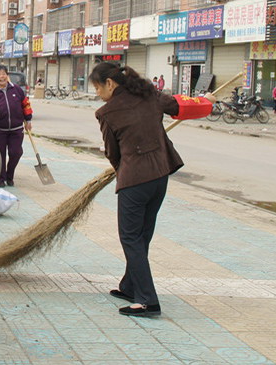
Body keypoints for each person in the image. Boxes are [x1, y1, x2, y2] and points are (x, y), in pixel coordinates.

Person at [89, 62, 215, 317]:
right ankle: (130, 286)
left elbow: (113, 153)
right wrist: (207, 102)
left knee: (130, 237)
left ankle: (147, 300)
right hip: (160, 176)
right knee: (142, 235)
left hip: (134, 181)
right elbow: (180, 107)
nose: (97, 93)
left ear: (110, 84)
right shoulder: (150, 95)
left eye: (97, 88)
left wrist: (122, 170)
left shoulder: (106, 113)